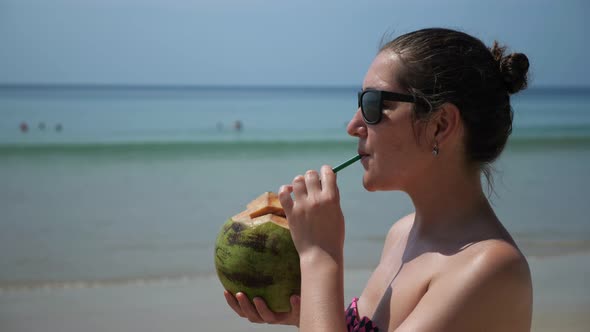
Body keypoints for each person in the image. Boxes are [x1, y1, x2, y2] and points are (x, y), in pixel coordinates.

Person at [224, 28, 532, 331]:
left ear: (440, 125)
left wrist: (321, 256)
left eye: (373, 105)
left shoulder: (491, 270)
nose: (354, 124)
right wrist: (307, 314)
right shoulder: (401, 234)